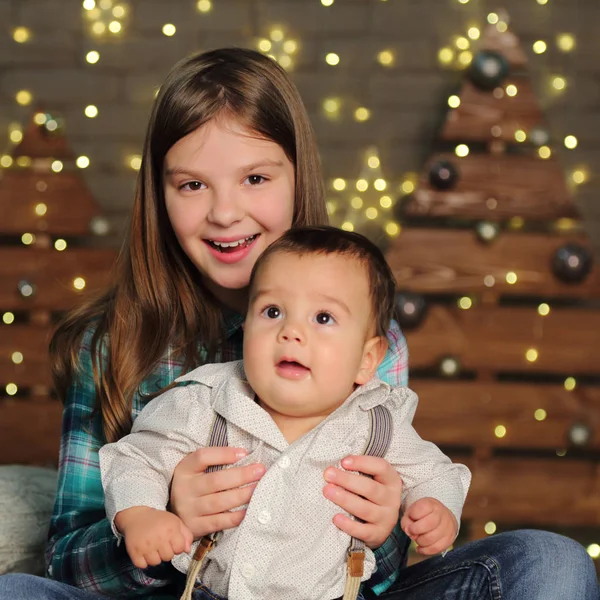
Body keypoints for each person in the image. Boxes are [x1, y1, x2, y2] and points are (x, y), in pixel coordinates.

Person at [0, 47, 596, 600]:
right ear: (159, 194)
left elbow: (386, 557)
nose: (225, 212)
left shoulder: (372, 342)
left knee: (552, 564)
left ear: (296, 177)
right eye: (191, 185)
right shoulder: (112, 344)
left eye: (256, 178)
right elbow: (66, 560)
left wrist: (389, 528)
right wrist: (160, 523)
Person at [99, 226, 472, 600]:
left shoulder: (377, 423)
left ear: (366, 359)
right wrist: (141, 513)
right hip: (209, 594)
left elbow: (435, 473)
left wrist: (436, 508)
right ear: (246, 329)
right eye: (272, 311)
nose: (291, 331)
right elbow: (136, 458)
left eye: (323, 318)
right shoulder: (207, 404)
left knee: (525, 553)